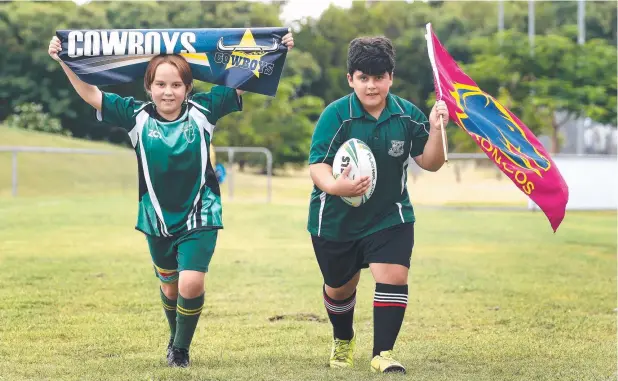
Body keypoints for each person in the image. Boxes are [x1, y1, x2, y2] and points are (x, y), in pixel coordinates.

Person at [48, 32, 294, 368]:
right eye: (161, 84)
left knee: (192, 281)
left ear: (187, 88)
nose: (168, 91)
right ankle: (175, 339)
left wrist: (275, 49)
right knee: (171, 288)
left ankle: (180, 350)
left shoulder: (205, 109)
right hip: (156, 217)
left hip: (201, 212)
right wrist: (65, 60)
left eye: (176, 85)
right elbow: (91, 94)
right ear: (148, 87)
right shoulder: (134, 115)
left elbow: (241, 79)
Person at [306, 36, 449, 374]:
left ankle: (383, 353)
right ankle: (343, 339)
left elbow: (430, 162)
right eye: (363, 78)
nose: (372, 86)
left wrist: (435, 129)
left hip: (390, 214)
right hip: (336, 220)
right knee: (340, 289)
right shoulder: (336, 115)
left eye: (379, 77)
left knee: (394, 275)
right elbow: (317, 166)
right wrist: (336, 186)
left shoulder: (406, 115)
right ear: (350, 79)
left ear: (391, 77)